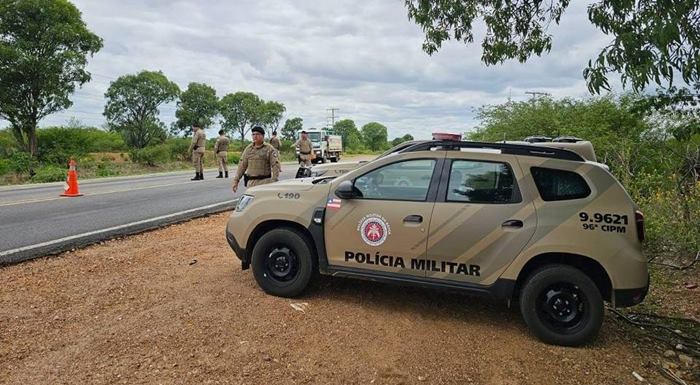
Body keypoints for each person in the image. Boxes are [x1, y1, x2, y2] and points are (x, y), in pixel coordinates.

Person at [232, 126, 281, 193]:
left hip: (265, 183)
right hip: (251, 183)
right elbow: (242, 166)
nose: (255, 136)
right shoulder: (248, 149)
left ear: (263, 136)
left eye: (257, 134)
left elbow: (275, 165)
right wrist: (236, 180)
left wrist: (274, 180)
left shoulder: (269, 149)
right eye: (253, 134)